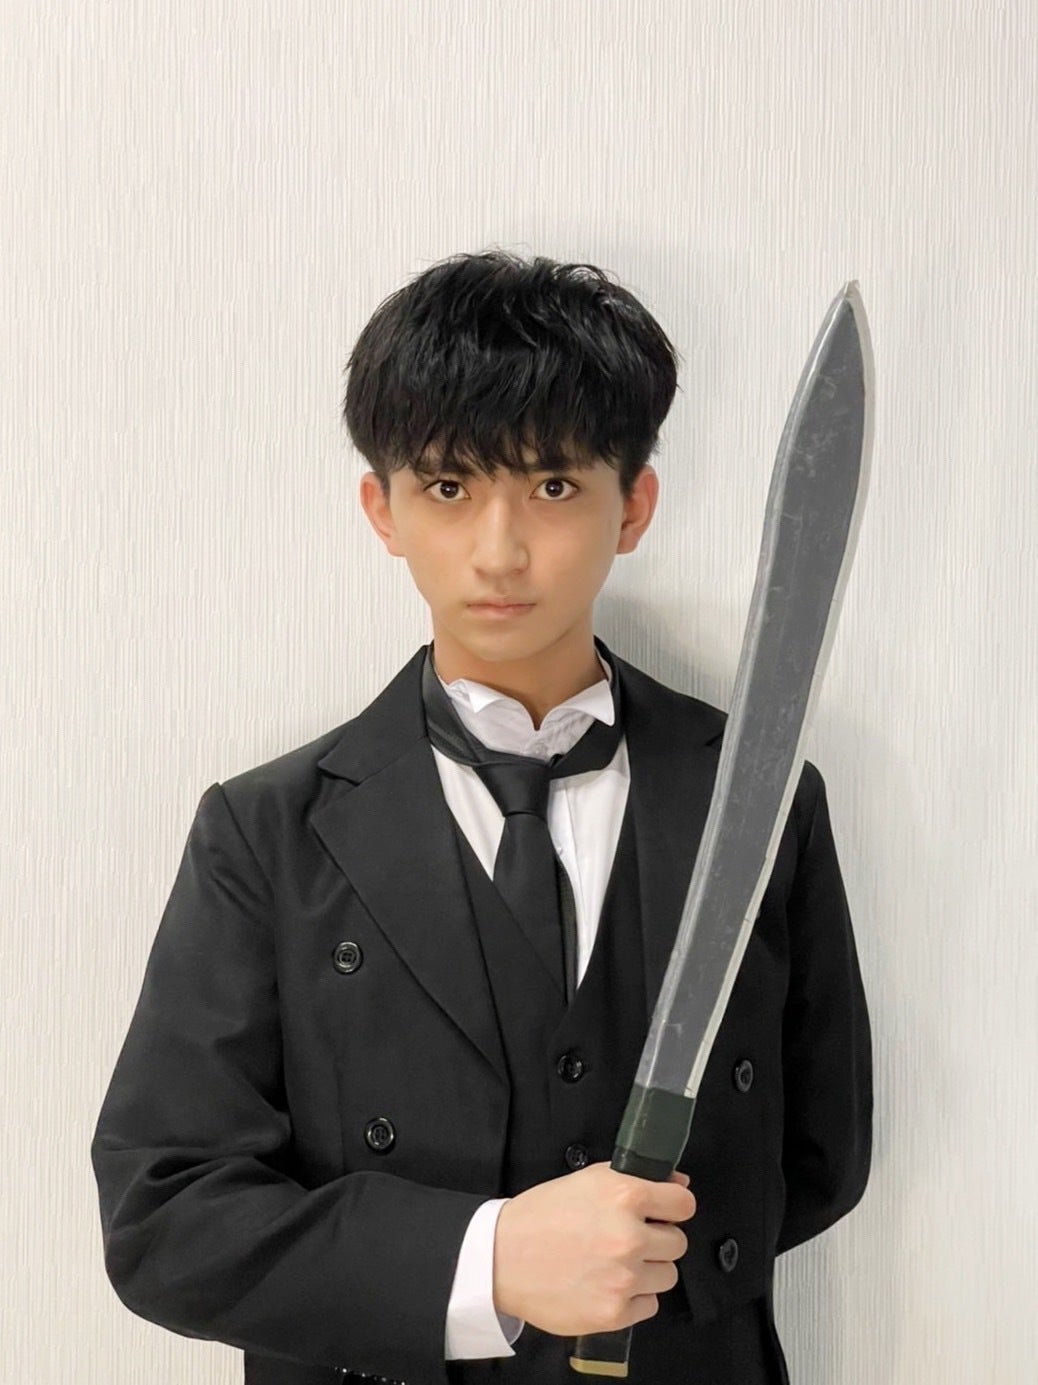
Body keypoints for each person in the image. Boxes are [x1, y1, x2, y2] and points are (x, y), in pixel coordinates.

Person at [91, 250, 872, 1385]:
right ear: (384, 509)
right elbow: (165, 1217)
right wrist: (489, 1262)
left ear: (633, 504)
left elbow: (819, 1154)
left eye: (553, 486)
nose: (500, 550)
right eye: (450, 488)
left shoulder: (758, 797)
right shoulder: (263, 834)